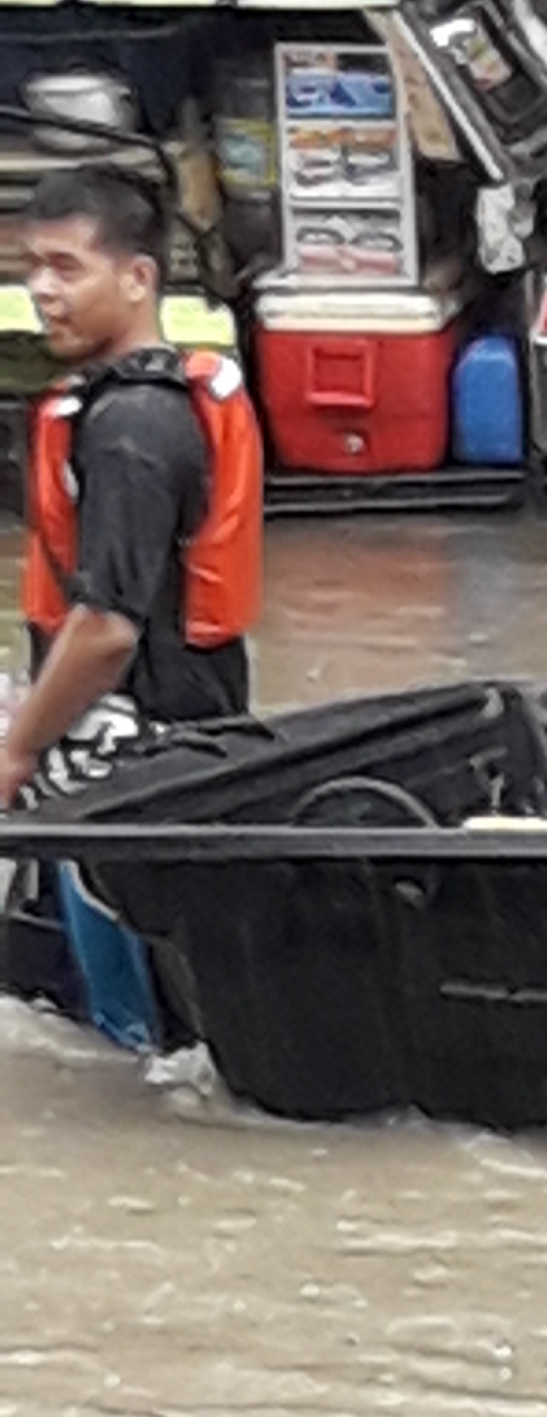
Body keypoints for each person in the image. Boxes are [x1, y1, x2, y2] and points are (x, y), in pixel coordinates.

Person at [2, 165, 263, 1048]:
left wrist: (19, 750)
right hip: (182, 738)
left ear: (138, 277)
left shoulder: (133, 433)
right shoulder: (137, 406)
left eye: (67, 267)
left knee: (136, 1036)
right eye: (30, 266)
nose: (41, 289)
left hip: (132, 759)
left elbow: (108, 628)